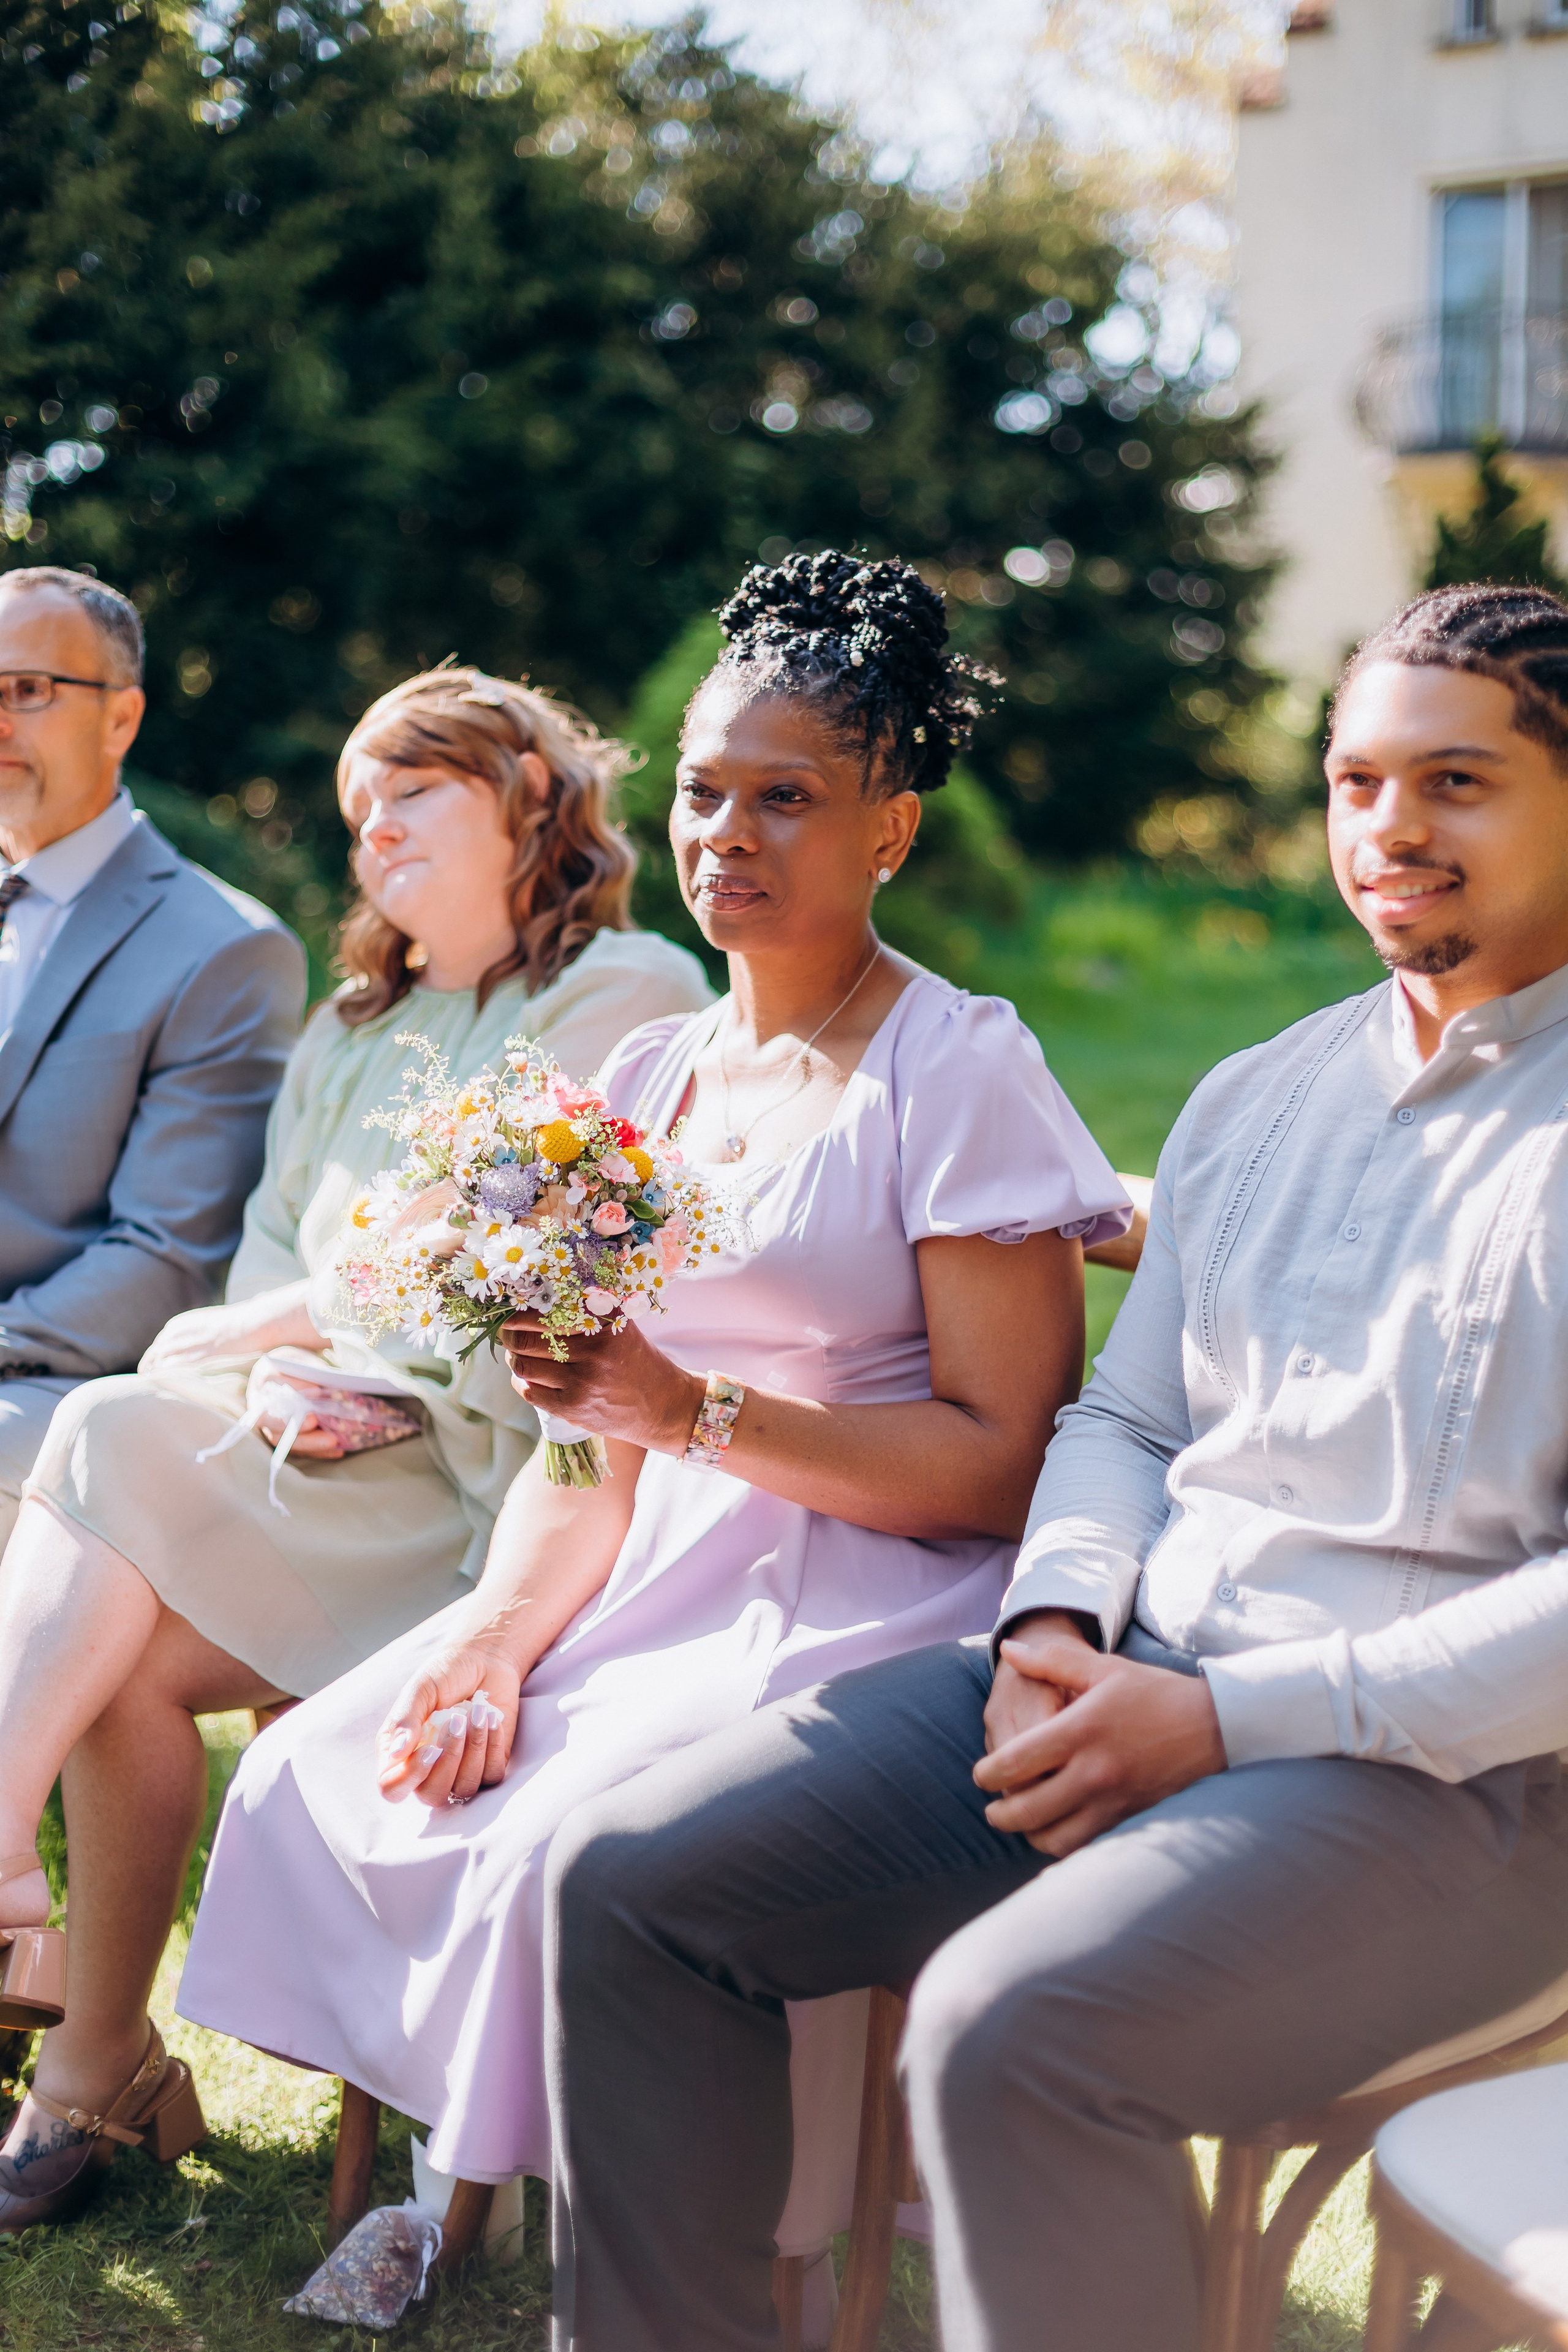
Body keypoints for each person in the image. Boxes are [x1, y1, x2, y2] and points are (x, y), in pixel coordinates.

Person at [539, 580, 1568, 2352]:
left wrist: (1227, 1723)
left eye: (1454, 783)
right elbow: (1128, 1424)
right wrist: (1053, 1623)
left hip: (1463, 1791)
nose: (1389, 829)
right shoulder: (1258, 1096)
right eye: (1356, 782)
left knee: (1013, 2028)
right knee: (629, 1877)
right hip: (1124, 1677)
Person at [175, 554, 1131, 2280]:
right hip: (647, 1564)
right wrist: (498, 1633)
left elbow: (1002, 1464)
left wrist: (692, 1411)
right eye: (701, 793)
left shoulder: (958, 1065)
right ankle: (458, 2177)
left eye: (788, 798)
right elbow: (582, 1434)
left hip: (876, 1593)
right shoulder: (645, 1077)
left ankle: (524, 2202)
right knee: (338, 1756)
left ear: (892, 828)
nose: (728, 836)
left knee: (561, 1831)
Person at [0, 664, 711, 2233]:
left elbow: (501, 1252)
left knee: (109, 1424)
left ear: (529, 793)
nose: (371, 826)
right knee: (120, 1646)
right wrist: (289, 1369)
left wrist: (309, 1341)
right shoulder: (348, 1026)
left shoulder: (624, 991)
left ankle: (11, 1880)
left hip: (503, 1489)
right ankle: (99, 2059)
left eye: (410, 788)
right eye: (356, 806)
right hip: (316, 1466)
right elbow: (273, 1262)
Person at [0, 564, 303, 1536]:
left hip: (59, 1386)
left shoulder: (226, 950)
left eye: (27, 689)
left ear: (121, 718)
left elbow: (166, 1259)